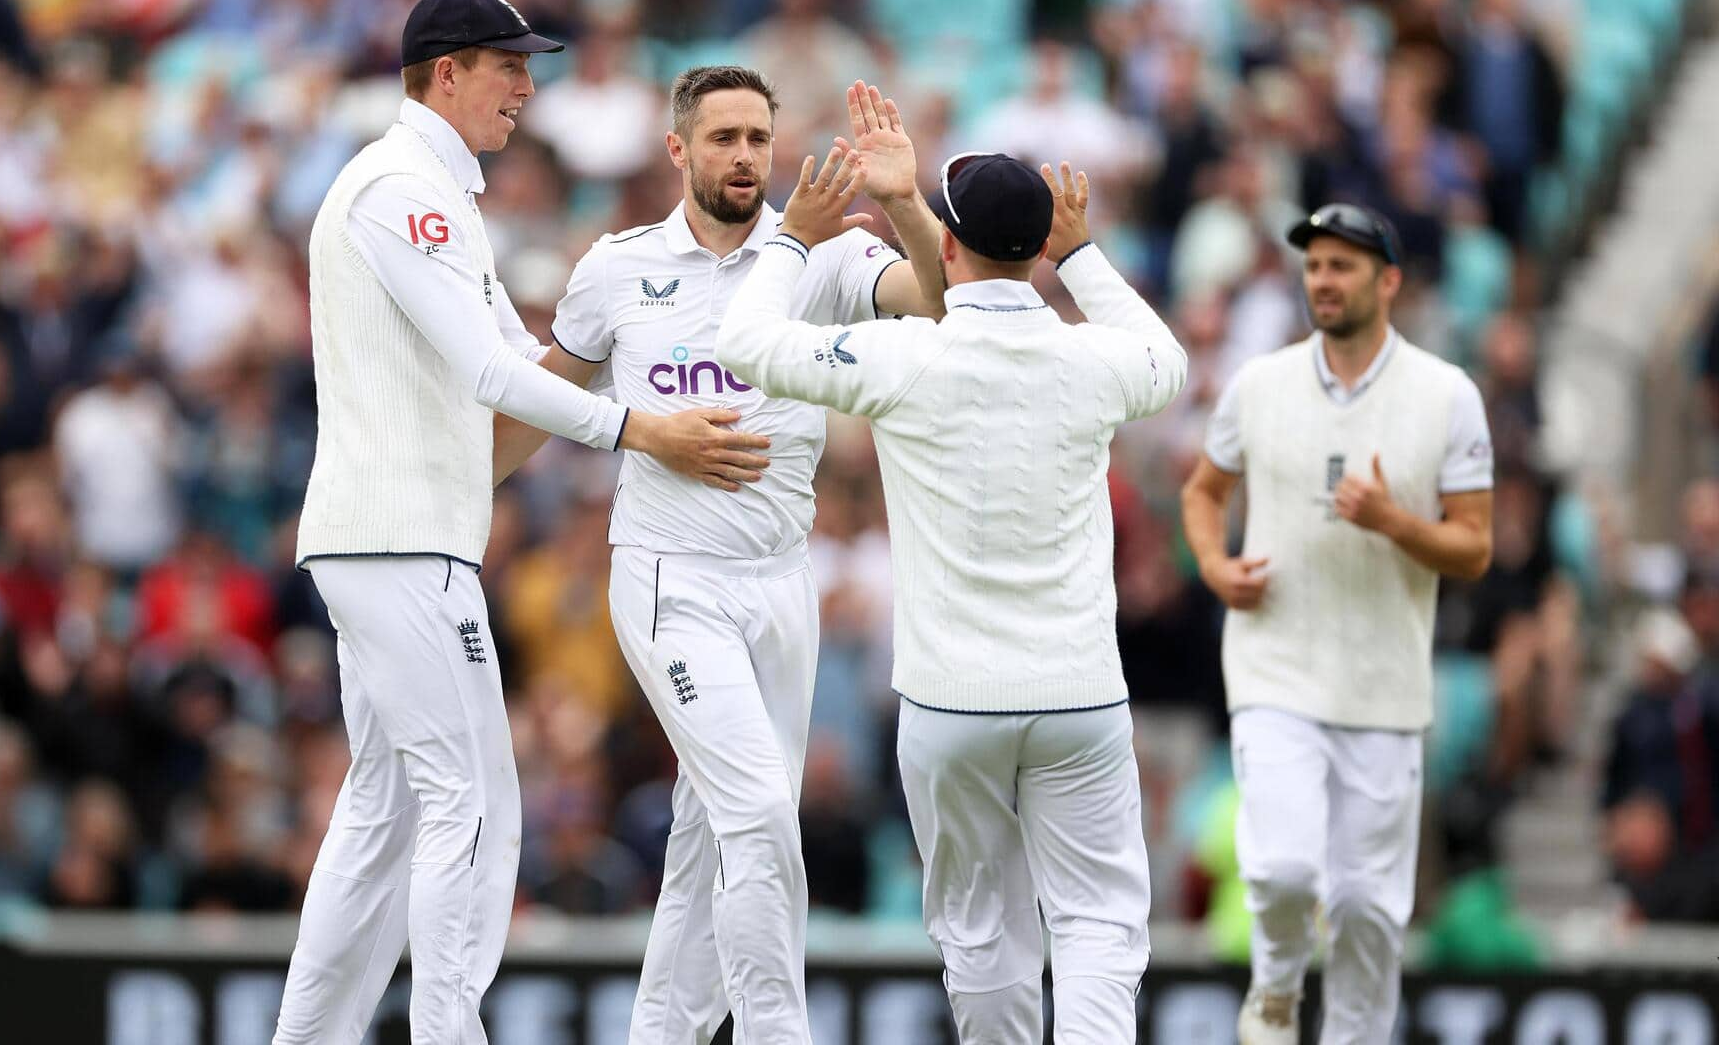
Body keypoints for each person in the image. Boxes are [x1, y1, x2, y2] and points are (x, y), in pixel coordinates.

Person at [270, 0, 771, 1045]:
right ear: (444, 73)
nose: (527, 88)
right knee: (478, 803)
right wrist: (644, 431)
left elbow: (534, 355)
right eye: (507, 67)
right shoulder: (402, 189)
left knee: (386, 813)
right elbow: (495, 370)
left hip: (395, 536)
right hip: (401, 539)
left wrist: (625, 333)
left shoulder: (430, 192)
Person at [494, 70, 945, 1044]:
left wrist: (905, 199)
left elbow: (942, 302)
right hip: (670, 578)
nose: (744, 155)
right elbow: (538, 403)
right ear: (677, 150)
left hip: (783, 585)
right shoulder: (617, 268)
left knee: (711, 838)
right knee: (758, 821)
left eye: (757, 137)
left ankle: (663, 1034)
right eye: (723, 137)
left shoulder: (820, 259)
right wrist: (456, 498)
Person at [717, 147, 1186, 1042]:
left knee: (980, 934)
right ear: (1036, 245)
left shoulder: (906, 357)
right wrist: (1080, 255)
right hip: (1080, 694)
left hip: (950, 704)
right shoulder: (1093, 361)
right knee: (1098, 926)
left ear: (950, 252)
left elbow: (743, 343)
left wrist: (794, 240)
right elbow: (1167, 357)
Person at [1179, 203, 1495, 1045]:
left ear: (1389, 281)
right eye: (1314, 265)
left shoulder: (1447, 395)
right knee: (1282, 871)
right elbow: (1203, 493)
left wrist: (1395, 523)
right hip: (1274, 665)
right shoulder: (1260, 383)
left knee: (1366, 909)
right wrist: (1214, 565)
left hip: (1384, 686)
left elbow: (1473, 548)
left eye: (1343, 266)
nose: (1323, 279)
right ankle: (1276, 988)